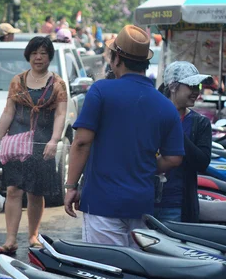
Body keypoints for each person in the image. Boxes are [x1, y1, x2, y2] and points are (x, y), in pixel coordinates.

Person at [64, 25, 184, 247]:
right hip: (142, 205)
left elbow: (81, 143)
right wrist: (145, 165)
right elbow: (174, 158)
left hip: (102, 203)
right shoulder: (165, 105)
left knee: (106, 273)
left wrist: (71, 186)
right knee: (136, 272)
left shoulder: (101, 91)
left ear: (116, 58)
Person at [0, 36, 67, 253]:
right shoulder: (18, 81)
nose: (38, 57)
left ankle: (33, 236)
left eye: (43, 53)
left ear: (49, 57)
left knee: (36, 192)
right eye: (34, 53)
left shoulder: (57, 84)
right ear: (28, 55)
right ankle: (10, 240)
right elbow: (9, 112)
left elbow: (61, 115)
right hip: (17, 143)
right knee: (13, 190)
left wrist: (54, 140)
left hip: (42, 144)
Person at [155, 62, 212, 222]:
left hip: (177, 205)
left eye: (197, 86)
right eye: (191, 86)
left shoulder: (200, 123)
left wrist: (174, 128)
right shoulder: (152, 116)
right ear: (173, 87)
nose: (196, 92)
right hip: (144, 202)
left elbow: (202, 163)